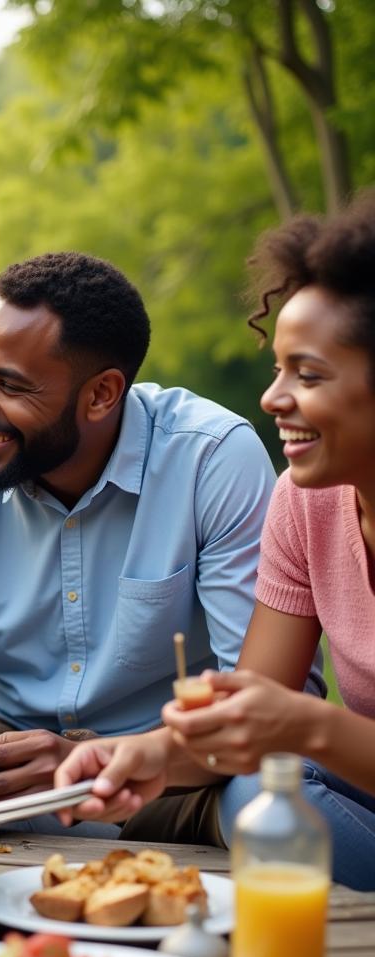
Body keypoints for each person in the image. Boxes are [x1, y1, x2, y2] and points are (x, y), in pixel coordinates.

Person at [0, 251, 322, 841]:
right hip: (1, 755)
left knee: (271, 801)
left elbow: (266, 702)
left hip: (180, 772)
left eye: (9, 384)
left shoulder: (211, 458)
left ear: (101, 395)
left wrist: (90, 759)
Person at [54, 194, 375, 890]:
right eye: (278, 368)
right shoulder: (304, 503)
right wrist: (147, 755)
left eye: (309, 375)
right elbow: (249, 719)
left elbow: (291, 723)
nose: (274, 398)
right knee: (263, 793)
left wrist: (307, 727)